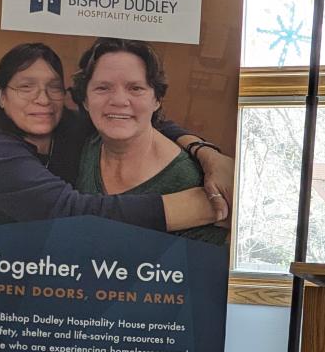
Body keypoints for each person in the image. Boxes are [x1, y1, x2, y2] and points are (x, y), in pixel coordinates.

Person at [0, 41, 230, 230]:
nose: (43, 99)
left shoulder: (74, 127)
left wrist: (207, 154)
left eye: (53, 87)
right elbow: (69, 212)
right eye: (25, 87)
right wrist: (203, 206)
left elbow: (138, 119)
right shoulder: (1, 151)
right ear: (1, 95)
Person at [70, 38, 226, 246]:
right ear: (85, 100)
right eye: (102, 88)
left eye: (135, 88)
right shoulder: (86, 142)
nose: (118, 100)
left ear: (157, 99)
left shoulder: (188, 181)